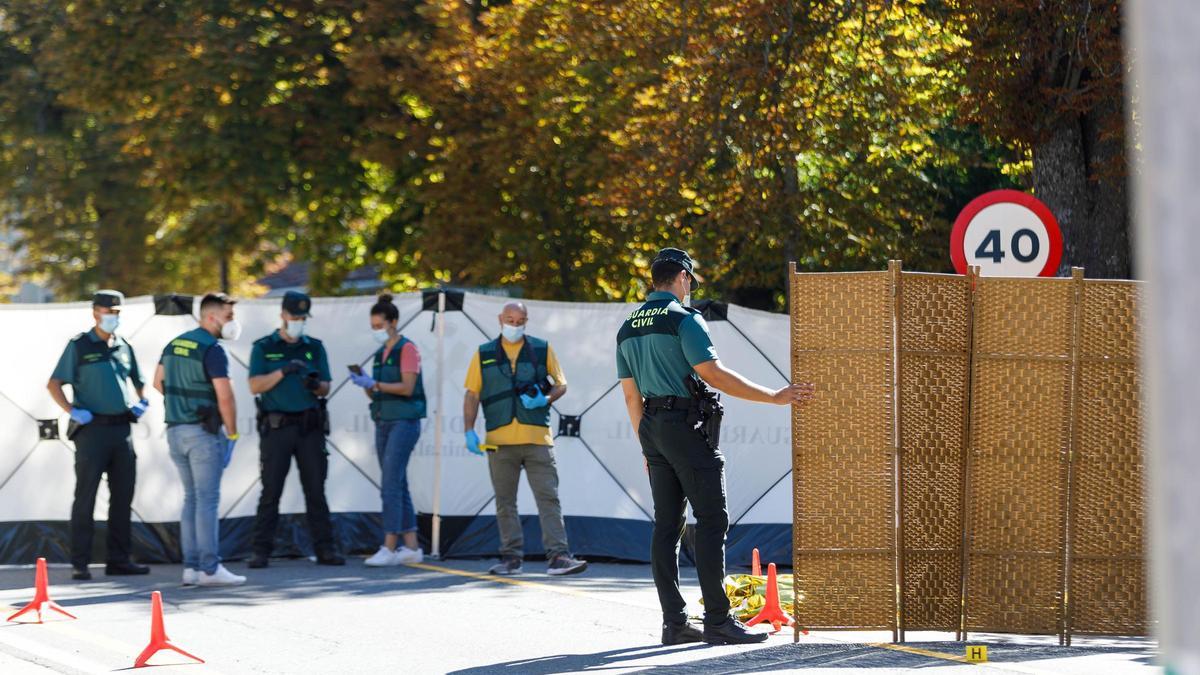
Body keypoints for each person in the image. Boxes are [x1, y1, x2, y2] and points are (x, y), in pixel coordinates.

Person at [616, 248, 814, 646]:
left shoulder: (628, 327)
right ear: (683, 278)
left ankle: (674, 623)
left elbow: (631, 397)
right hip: (684, 428)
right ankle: (718, 620)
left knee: (666, 525)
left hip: (652, 428)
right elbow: (714, 374)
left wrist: (646, 446)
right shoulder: (683, 319)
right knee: (712, 520)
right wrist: (775, 396)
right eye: (690, 282)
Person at [462, 301, 588, 577]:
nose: (514, 326)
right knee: (505, 500)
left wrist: (545, 398)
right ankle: (511, 559)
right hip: (499, 440)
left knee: (548, 497)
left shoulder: (542, 349)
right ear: (500, 319)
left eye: (520, 321)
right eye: (510, 320)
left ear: (526, 321)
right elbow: (472, 394)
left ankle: (558, 557)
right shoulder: (483, 354)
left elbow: (561, 384)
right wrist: (468, 430)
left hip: (538, 439)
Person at [47, 290, 151, 581]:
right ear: (95, 312)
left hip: (121, 430)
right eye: (108, 311)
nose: (112, 317)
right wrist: (71, 410)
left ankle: (119, 559)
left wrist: (141, 401)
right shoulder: (79, 345)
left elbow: (139, 381)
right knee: (86, 497)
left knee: (123, 497)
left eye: (117, 312)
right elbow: (54, 384)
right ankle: (80, 562)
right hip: (91, 431)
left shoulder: (124, 346)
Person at [246, 291, 344, 568]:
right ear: (282, 315)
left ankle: (325, 549)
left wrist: (315, 385)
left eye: (303, 317)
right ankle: (260, 550)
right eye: (294, 317)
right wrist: (284, 371)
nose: (298, 321)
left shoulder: (314, 347)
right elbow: (254, 385)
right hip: (277, 428)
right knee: (270, 491)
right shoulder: (264, 347)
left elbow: (326, 385)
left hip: (309, 427)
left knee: (316, 490)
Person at [154, 292, 246, 587]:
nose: (233, 322)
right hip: (203, 435)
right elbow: (225, 396)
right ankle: (210, 568)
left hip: (175, 431)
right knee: (207, 500)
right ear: (211, 317)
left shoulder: (174, 344)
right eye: (229, 316)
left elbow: (158, 383)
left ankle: (191, 568)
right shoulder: (212, 349)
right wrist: (231, 433)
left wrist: (182, 404)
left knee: (191, 499)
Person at [349, 294, 426, 566]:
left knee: (390, 484)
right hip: (383, 418)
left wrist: (376, 385)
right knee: (398, 482)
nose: (376, 331)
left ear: (393, 322)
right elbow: (377, 395)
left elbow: (406, 387)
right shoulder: (381, 353)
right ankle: (412, 547)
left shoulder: (408, 349)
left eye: (380, 325)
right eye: (373, 327)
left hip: (404, 421)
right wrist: (367, 385)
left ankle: (390, 546)